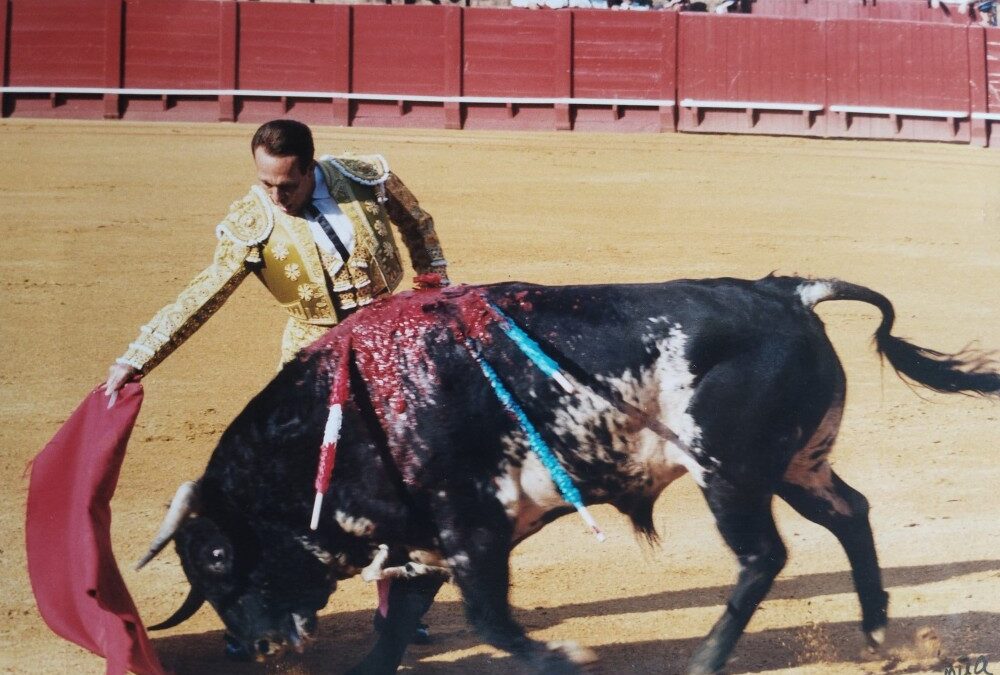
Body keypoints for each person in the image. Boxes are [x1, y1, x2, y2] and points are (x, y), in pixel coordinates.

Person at [103, 118, 446, 649]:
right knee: (296, 495)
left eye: (287, 184)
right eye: (266, 183)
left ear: (311, 167)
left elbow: (418, 224)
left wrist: (432, 286)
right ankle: (264, 609)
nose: (275, 195)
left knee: (410, 479)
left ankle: (399, 609)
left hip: (391, 343)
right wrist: (137, 356)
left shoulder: (365, 176)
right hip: (313, 363)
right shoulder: (251, 220)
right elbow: (202, 295)